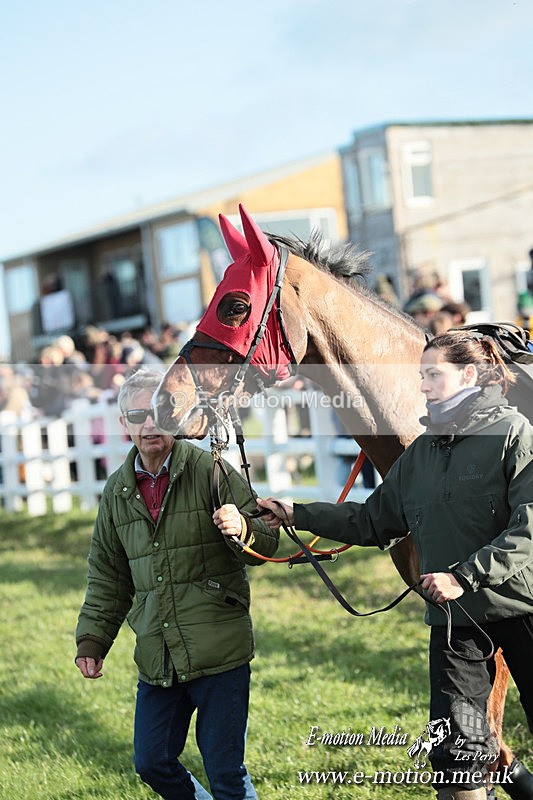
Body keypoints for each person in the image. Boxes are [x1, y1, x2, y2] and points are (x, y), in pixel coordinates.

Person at [258, 332, 533, 800]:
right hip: (455, 625)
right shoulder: (420, 454)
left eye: (433, 375)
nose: (423, 386)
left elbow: (528, 529)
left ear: (468, 375)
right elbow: (371, 520)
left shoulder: (514, 432)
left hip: (522, 611)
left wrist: (462, 577)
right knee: (456, 755)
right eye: (420, 376)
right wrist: (296, 512)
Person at [75, 369, 279, 800]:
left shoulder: (210, 470)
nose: (150, 424)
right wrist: (93, 640)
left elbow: (267, 538)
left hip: (218, 650)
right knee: (152, 762)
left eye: (160, 411)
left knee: (225, 770)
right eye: (138, 415)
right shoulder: (116, 493)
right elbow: (108, 577)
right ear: (123, 425)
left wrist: (242, 527)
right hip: (157, 654)